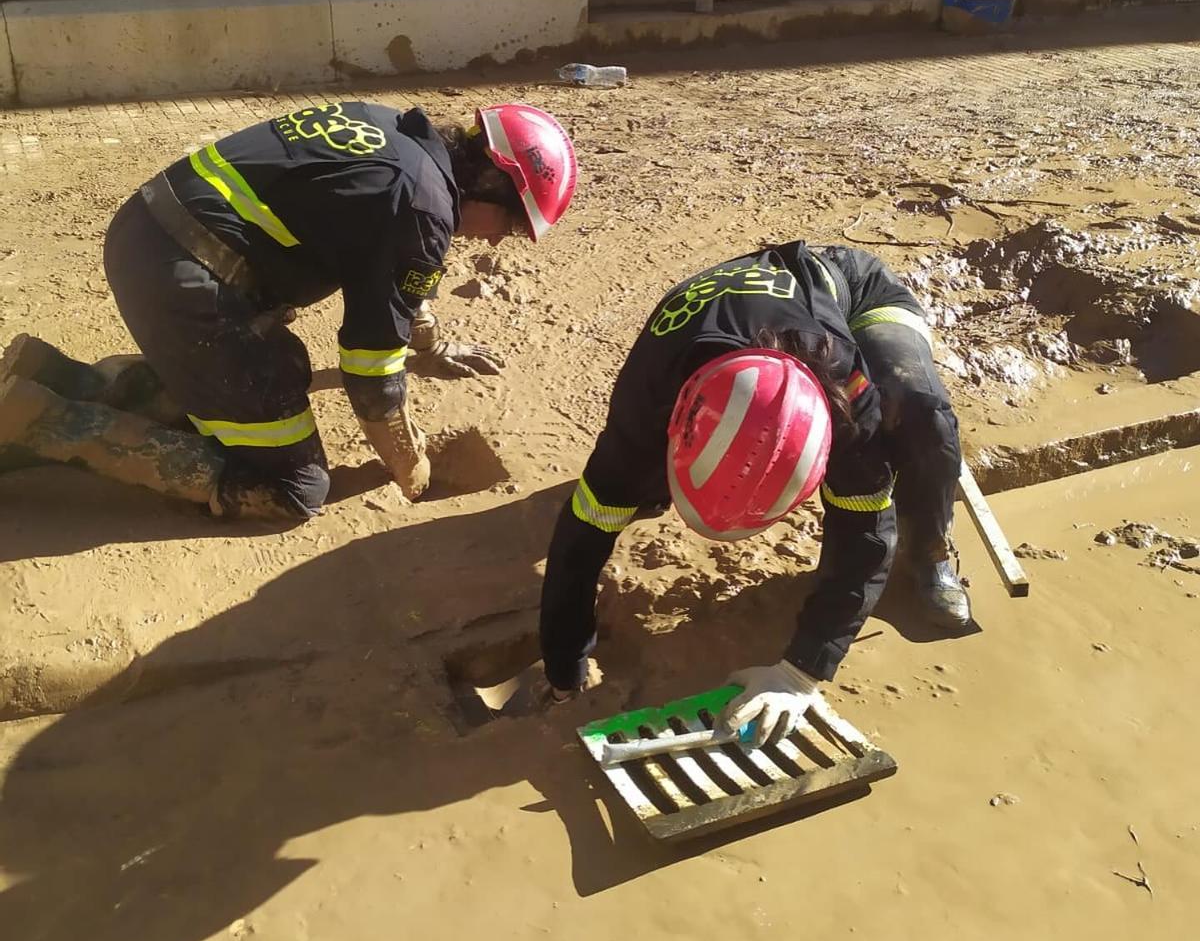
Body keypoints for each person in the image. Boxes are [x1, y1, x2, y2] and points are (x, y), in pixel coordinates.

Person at [0, 101, 576, 521]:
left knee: (283, 371)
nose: (496, 240)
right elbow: (370, 373)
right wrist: (407, 461)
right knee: (296, 487)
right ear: (492, 181)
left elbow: (397, 272)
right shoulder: (423, 210)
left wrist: (430, 344)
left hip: (150, 234)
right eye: (510, 223)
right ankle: (47, 422)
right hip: (188, 281)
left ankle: (60, 378)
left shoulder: (400, 140)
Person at [539, 241, 969, 747]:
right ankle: (649, 493)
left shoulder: (845, 397)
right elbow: (579, 538)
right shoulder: (645, 403)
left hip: (857, 293)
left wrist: (802, 672)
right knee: (618, 493)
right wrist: (564, 668)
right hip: (730, 326)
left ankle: (931, 554)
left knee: (922, 416)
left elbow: (866, 526)